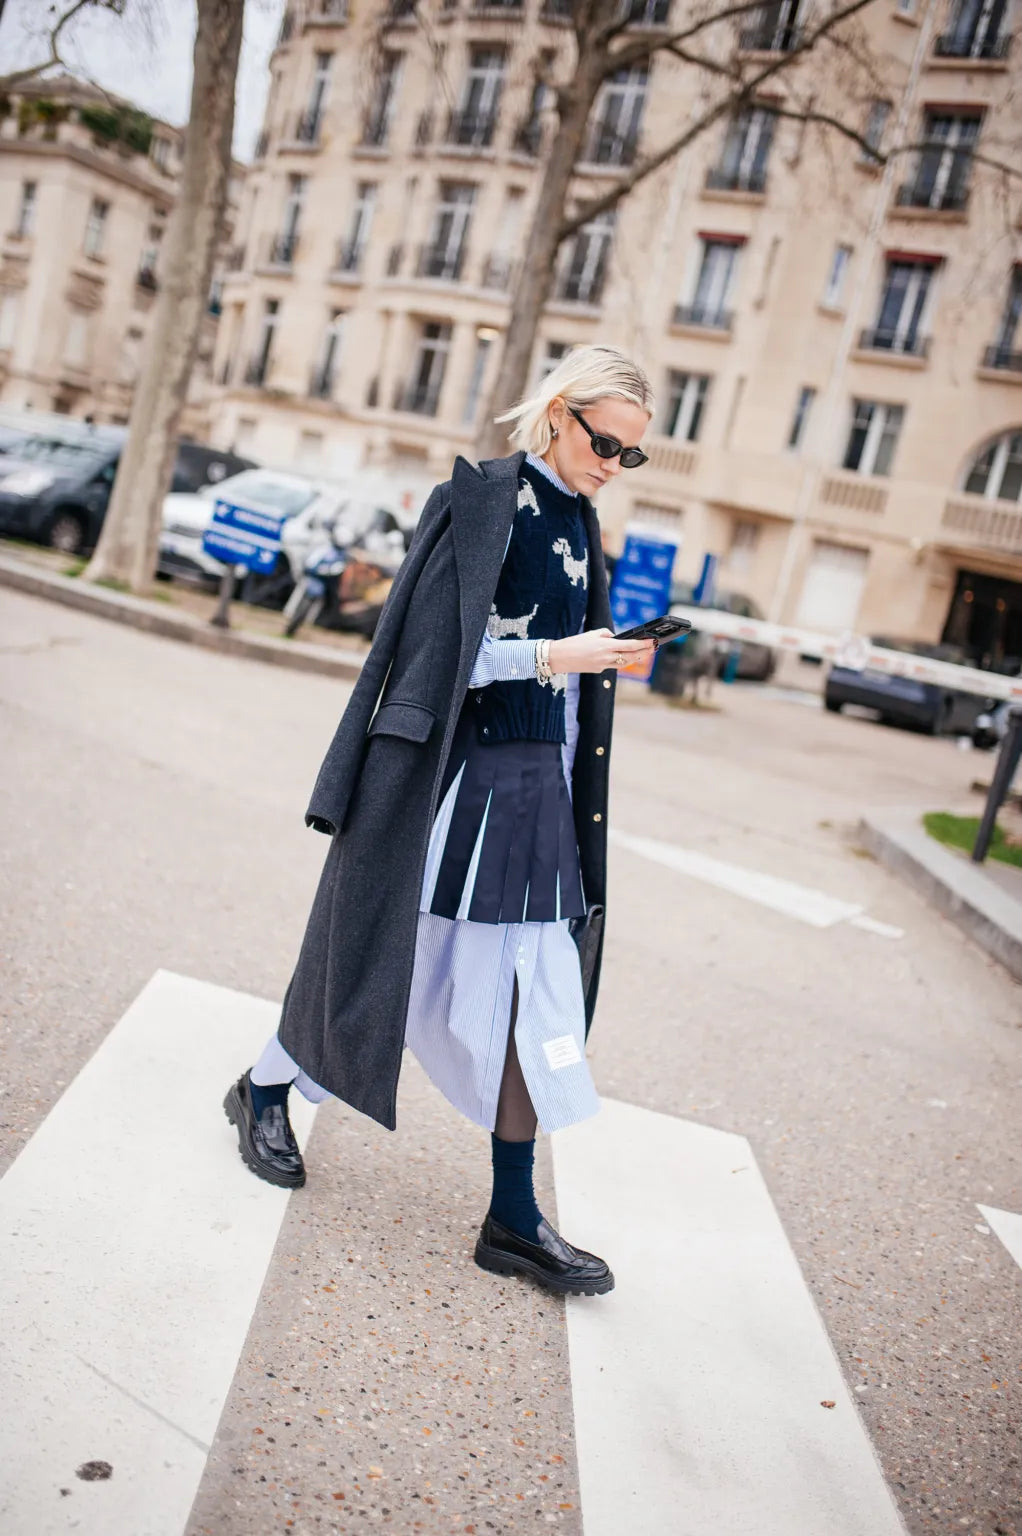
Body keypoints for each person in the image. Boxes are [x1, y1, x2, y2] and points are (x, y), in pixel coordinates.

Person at [224, 344, 656, 1296]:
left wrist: (600, 664)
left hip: (539, 790)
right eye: (604, 443)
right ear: (559, 415)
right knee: (384, 950)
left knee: (536, 995)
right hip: (452, 781)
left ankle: (512, 1217)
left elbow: (569, 686)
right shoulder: (480, 501)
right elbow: (435, 661)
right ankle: (263, 1086)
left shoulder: (584, 524)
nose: (611, 466)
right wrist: (555, 658)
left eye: (632, 456)